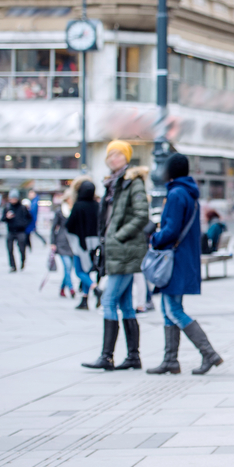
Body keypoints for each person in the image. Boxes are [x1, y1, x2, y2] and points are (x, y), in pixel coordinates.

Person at [147, 153, 224, 376]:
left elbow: (171, 230)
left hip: (175, 259)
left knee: (173, 309)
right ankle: (170, 360)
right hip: (184, 258)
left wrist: (154, 237)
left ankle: (209, 353)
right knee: (167, 309)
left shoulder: (176, 194)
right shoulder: (189, 193)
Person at [82, 140, 150, 371]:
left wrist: (118, 236)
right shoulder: (112, 184)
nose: (114, 158)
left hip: (125, 250)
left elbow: (142, 215)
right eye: (111, 155)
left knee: (109, 300)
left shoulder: (132, 182)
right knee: (126, 306)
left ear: (127, 157)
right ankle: (133, 357)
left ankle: (107, 356)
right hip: (117, 250)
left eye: (119, 154)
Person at [66, 178, 100, 310]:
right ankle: (85, 299)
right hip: (94, 242)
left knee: (80, 271)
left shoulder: (78, 205)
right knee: (87, 270)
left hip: (81, 242)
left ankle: (95, 288)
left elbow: (69, 224)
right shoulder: (96, 205)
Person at [50, 190, 77, 298]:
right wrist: (52, 242)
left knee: (69, 269)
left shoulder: (75, 209)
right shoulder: (60, 211)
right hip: (61, 242)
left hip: (73, 242)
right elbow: (53, 228)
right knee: (67, 266)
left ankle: (62, 288)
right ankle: (71, 288)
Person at [2, 189, 32, 272]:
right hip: (11, 231)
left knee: (22, 248)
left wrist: (24, 224)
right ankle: (13, 266)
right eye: (11, 198)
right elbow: (2, 219)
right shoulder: (7, 207)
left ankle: (23, 261)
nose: (13, 200)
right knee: (10, 249)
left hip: (20, 231)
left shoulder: (22, 208)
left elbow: (30, 218)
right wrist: (7, 217)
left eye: (14, 198)